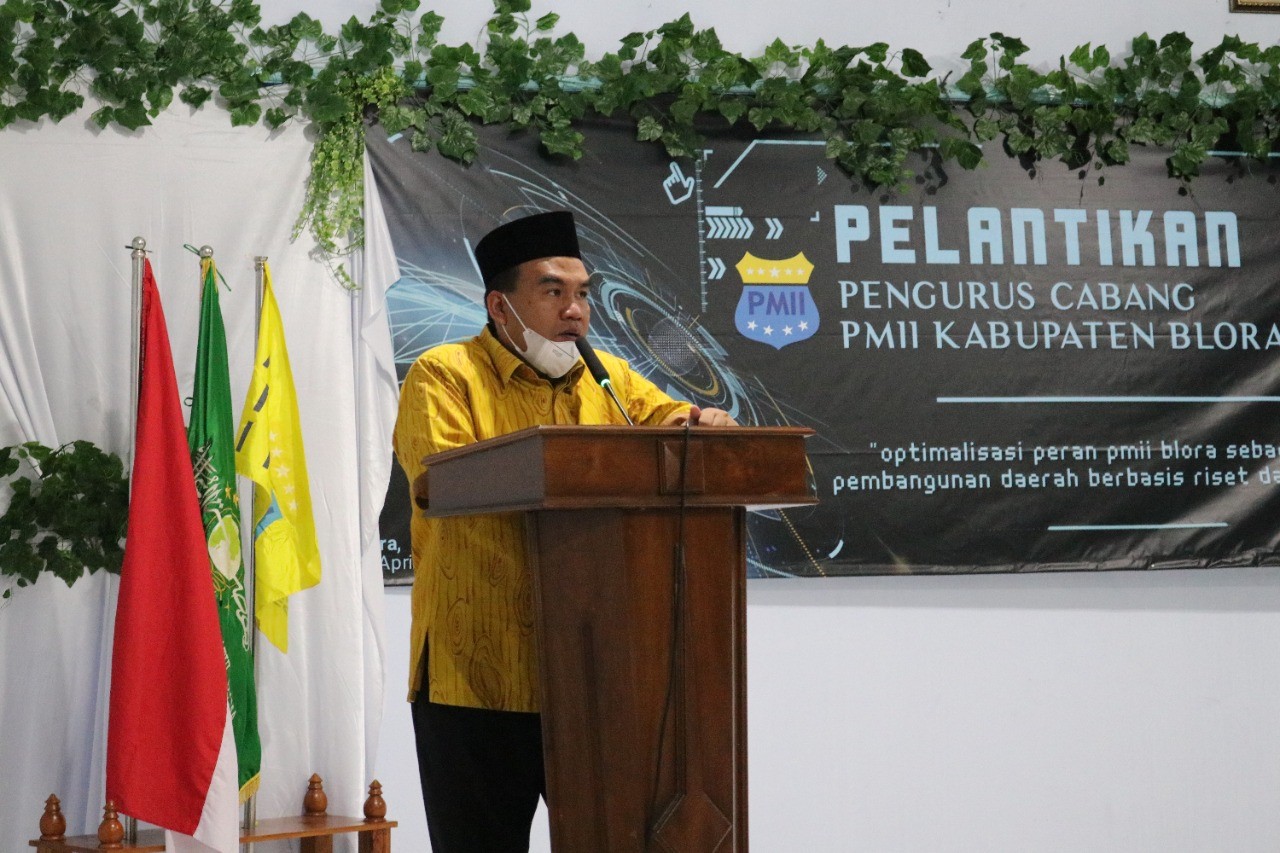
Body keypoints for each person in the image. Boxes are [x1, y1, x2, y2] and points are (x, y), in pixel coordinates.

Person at [392, 210, 736, 853]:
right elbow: (444, 482)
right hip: (476, 676)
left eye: (582, 294)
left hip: (594, 674)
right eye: (552, 292)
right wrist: (564, 467)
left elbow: (671, 422)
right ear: (500, 305)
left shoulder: (609, 378)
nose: (574, 311)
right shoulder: (445, 373)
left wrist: (703, 424)